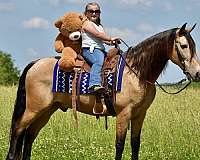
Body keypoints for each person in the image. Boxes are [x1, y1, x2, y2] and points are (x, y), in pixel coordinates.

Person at [81, 2, 120, 93]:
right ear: (86, 13)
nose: (94, 13)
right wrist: (110, 38)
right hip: (90, 50)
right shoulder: (87, 24)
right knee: (98, 61)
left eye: (97, 11)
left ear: (99, 13)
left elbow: (102, 39)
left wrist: (112, 42)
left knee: (113, 61)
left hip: (100, 50)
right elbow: (98, 35)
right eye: (91, 11)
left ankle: (110, 85)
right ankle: (93, 84)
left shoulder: (99, 26)